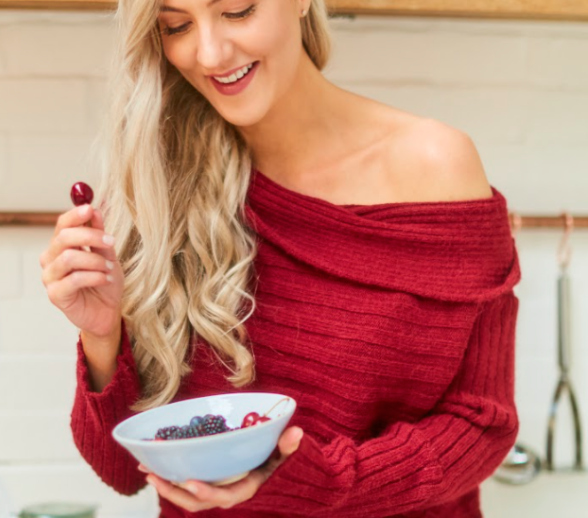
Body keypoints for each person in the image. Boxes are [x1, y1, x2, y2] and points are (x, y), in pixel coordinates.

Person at [39, 0, 521, 516]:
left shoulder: (435, 167)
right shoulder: (160, 187)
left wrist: (315, 480)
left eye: (237, 11)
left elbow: (482, 424)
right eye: (176, 26)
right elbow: (119, 471)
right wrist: (102, 335)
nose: (208, 53)